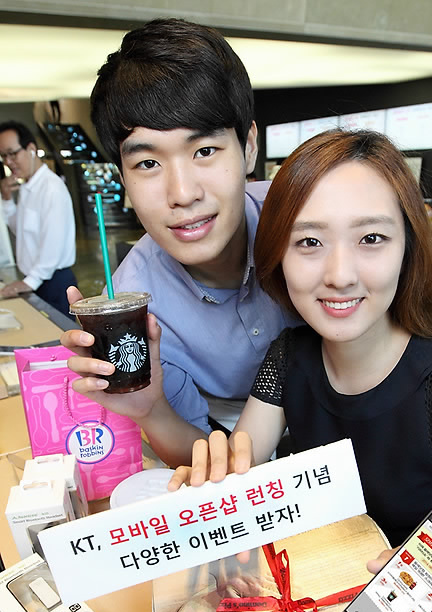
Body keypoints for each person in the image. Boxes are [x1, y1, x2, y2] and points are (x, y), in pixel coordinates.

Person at [168, 129, 432, 612]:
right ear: (277, 253)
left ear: (409, 248)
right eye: (308, 242)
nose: (339, 275)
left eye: (371, 238)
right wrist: (209, 497)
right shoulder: (289, 355)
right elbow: (241, 477)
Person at [61, 18, 295, 467]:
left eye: (204, 151)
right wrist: (150, 410)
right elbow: (197, 455)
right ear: (123, 178)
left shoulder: (305, 220)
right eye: (148, 163)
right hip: (230, 440)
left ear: (248, 147)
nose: (183, 194)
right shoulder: (134, 309)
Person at [0, 121, 77, 316]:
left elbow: (53, 244)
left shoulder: (51, 188)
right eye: (3, 156)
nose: (8, 162)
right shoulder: (27, 186)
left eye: (12, 154)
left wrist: (29, 282)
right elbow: (21, 232)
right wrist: (7, 199)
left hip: (53, 282)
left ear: (31, 149)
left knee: (58, 333)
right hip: (36, 280)